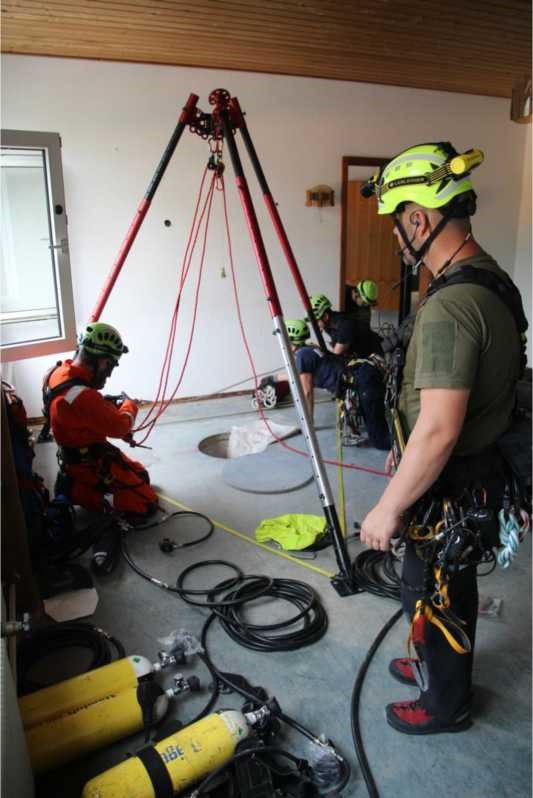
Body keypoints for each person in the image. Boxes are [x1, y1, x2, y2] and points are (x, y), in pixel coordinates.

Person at [359, 142, 528, 734]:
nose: (399, 243)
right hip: (474, 472)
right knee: (441, 586)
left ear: (419, 219)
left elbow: (438, 427)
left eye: (397, 227)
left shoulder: (450, 306)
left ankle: (445, 705)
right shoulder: (494, 281)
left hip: (451, 481)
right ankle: (433, 662)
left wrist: (387, 507)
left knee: (432, 588)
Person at [43, 322, 158, 521]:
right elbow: (120, 427)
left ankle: (77, 485)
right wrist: (129, 405)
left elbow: (81, 409)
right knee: (145, 504)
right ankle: (78, 489)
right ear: (102, 361)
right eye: (111, 365)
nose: (109, 372)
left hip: (79, 452)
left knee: (141, 476)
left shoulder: (57, 373)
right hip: (90, 463)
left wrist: (106, 407)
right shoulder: (83, 397)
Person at [284, 319, 389, 449]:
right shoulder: (310, 349)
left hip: (361, 380)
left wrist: (308, 423)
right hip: (361, 374)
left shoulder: (302, 356)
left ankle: (409, 449)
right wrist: (273, 379)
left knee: (380, 441)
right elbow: (299, 375)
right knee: (374, 424)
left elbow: (307, 392)